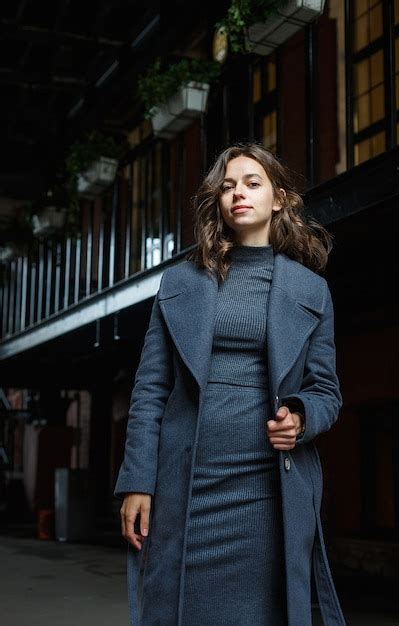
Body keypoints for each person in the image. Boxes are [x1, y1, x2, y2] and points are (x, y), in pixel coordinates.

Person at [114, 142, 346, 626]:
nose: (237, 193)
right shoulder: (180, 283)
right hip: (187, 482)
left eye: (252, 183)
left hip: (266, 488)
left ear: (279, 198)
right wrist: (137, 481)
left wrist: (301, 416)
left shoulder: (312, 291)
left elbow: (327, 391)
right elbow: (150, 389)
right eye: (227, 186)